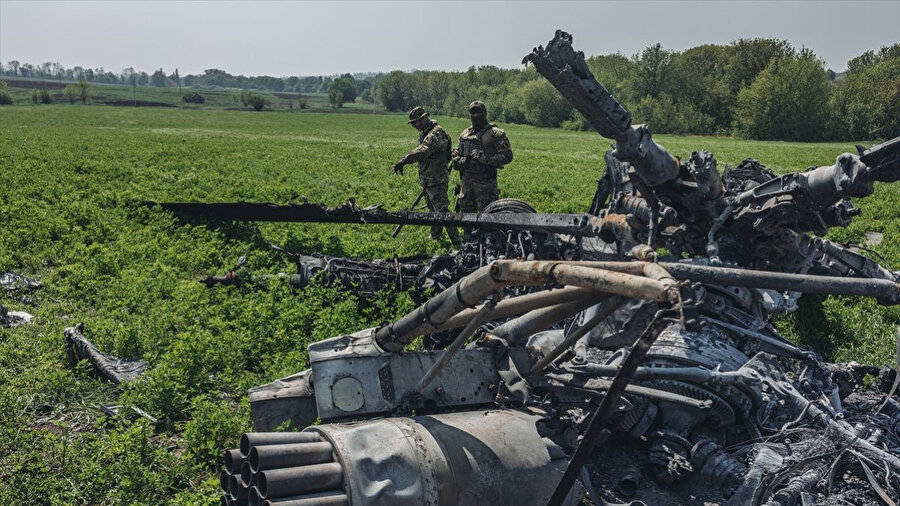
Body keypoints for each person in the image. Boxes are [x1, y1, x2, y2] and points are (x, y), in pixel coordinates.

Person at [391, 106, 462, 247]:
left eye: (415, 122)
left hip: (436, 179)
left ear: (423, 119)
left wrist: (405, 160)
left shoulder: (436, 133)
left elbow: (424, 150)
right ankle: (435, 236)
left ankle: (458, 242)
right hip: (428, 179)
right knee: (433, 211)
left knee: (442, 212)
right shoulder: (426, 132)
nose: (414, 126)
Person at [451, 100, 513, 213]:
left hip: (486, 186)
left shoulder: (495, 133)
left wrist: (485, 158)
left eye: (478, 111)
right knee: (466, 222)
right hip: (466, 186)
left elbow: (508, 155)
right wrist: (456, 154)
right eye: (472, 112)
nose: (475, 115)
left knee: (489, 222)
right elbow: (459, 152)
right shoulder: (465, 133)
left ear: (484, 113)